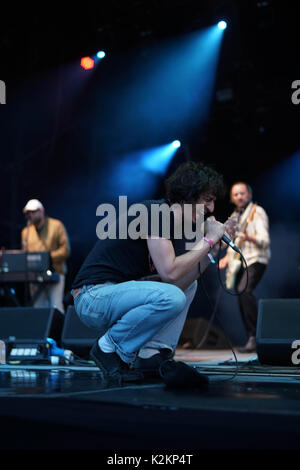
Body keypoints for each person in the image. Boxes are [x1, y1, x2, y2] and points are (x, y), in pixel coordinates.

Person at [71, 161, 236, 382]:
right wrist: (209, 239)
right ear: (188, 195)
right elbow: (169, 272)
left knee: (187, 286)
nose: (212, 209)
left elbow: (178, 282)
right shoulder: (156, 212)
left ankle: (153, 354)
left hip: (114, 294)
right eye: (208, 199)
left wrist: (211, 252)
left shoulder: (171, 226)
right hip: (92, 296)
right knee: (173, 294)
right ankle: (108, 347)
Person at [219, 182, 271, 353]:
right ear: (232, 198)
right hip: (241, 260)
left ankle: (256, 337)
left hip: (256, 258)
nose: (239, 197)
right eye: (235, 194)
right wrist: (226, 257)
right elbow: (232, 242)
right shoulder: (235, 216)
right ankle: (252, 337)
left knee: (245, 290)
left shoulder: (257, 212)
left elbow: (264, 240)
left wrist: (248, 237)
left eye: (242, 193)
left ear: (249, 194)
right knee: (241, 293)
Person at [21, 199, 71, 313]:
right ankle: (41, 330)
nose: (30, 215)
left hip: (55, 272)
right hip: (34, 275)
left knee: (56, 306)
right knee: (38, 308)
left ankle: (59, 330)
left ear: (41, 211)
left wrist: (47, 258)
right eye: (28, 213)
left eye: (33, 212)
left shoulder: (56, 225)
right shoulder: (26, 231)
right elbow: (25, 254)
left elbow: (66, 250)